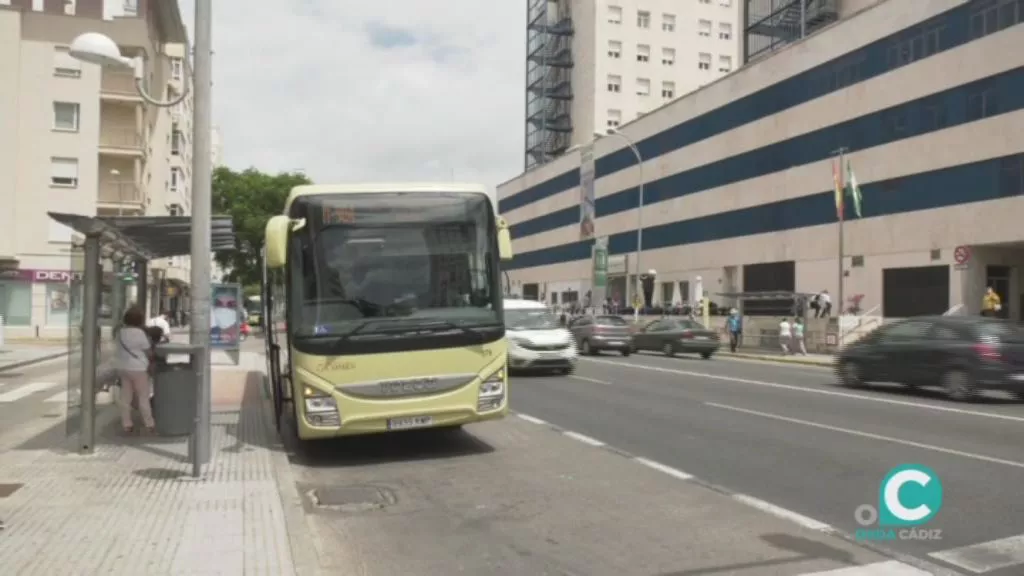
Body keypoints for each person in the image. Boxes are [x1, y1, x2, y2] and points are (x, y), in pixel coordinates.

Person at [115, 306, 156, 435]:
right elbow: (148, 351)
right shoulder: (139, 333)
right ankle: (149, 424)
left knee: (125, 398)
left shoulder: (120, 333)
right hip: (139, 368)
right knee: (143, 397)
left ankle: (127, 424)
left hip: (123, 367)